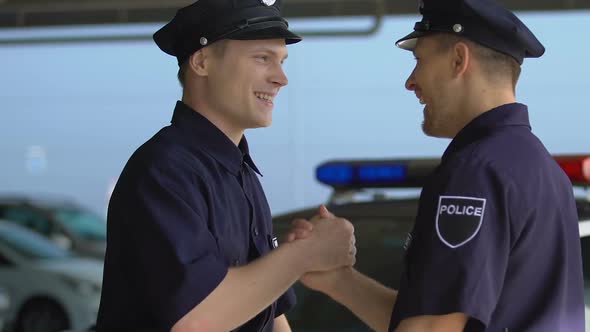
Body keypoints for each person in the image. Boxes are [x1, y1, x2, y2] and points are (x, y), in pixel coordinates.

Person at [289, 0, 585, 331]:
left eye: (419, 61)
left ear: (459, 59)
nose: (411, 82)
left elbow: (432, 328)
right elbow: (435, 318)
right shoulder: (539, 168)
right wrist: (339, 281)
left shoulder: (475, 172)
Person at [95, 0, 357, 331]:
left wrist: (297, 256)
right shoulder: (163, 171)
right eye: (263, 58)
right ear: (202, 61)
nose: (281, 78)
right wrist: (305, 254)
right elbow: (195, 320)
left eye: (282, 62)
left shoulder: (241, 172)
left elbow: (272, 315)